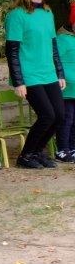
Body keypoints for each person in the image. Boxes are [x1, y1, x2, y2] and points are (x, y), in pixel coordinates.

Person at [5, 0, 66, 169]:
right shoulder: (16, 15)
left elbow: (53, 45)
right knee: (47, 115)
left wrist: (59, 73)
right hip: (29, 75)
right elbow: (12, 51)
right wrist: (18, 81)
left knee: (59, 115)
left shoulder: (47, 13)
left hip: (49, 73)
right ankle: (25, 155)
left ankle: (36, 152)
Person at [56, 25, 75, 162]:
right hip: (66, 88)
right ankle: (62, 149)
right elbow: (54, 60)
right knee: (66, 119)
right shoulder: (61, 39)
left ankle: (73, 147)